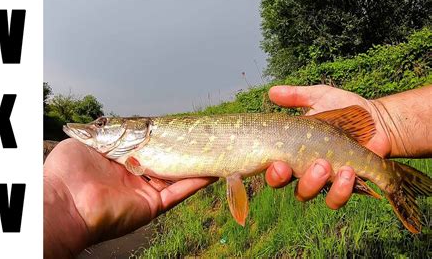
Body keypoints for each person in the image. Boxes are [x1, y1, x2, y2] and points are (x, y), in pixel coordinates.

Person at [44, 85, 432, 258]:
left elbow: (360, 126)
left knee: (351, 170)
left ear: (132, 126)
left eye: (101, 124)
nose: (93, 131)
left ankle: (390, 179)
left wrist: (381, 120)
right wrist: (61, 203)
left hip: (318, 140)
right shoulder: (141, 145)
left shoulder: (145, 138)